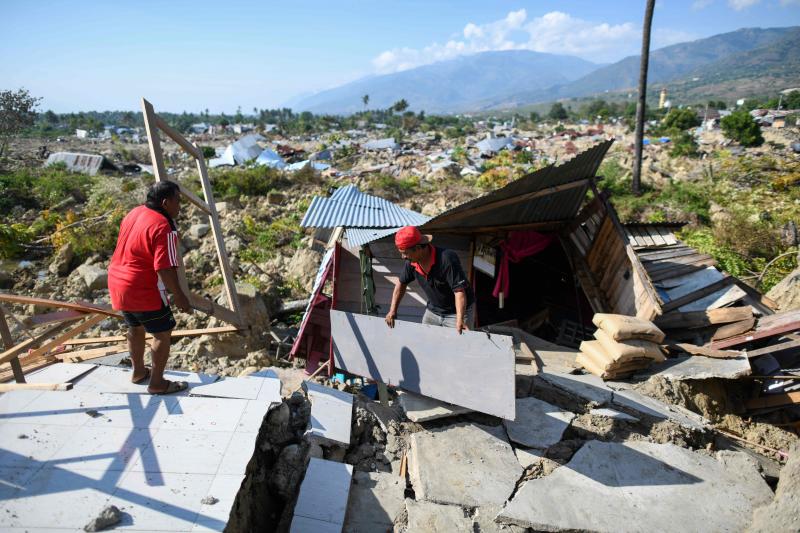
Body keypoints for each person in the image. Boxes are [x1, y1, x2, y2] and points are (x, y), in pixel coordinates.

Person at [107, 181, 192, 394]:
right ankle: (157, 383)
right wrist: (180, 297)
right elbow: (164, 268)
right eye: (177, 201)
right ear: (165, 202)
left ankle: (138, 372)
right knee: (162, 333)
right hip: (142, 287)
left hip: (118, 282)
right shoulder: (164, 226)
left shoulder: (134, 213)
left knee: (135, 327)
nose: (179, 207)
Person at [385, 226, 475, 334]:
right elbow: (401, 284)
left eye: (405, 253)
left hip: (457, 312)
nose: (403, 257)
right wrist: (392, 310)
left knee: (459, 346)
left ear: (418, 248)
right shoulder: (411, 263)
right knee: (426, 343)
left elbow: (459, 291)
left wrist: (460, 320)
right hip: (433, 311)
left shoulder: (446, 259)